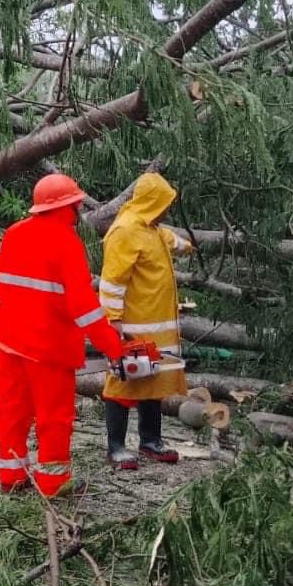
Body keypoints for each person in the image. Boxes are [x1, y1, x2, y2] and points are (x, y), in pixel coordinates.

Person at [0, 172, 124, 496]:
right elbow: (85, 309)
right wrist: (115, 348)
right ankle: (53, 485)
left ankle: (12, 478)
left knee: (11, 415)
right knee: (53, 419)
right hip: (47, 351)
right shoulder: (66, 244)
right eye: (76, 205)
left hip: (7, 344)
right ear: (70, 208)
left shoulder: (14, 234)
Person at [97, 172, 195, 469]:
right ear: (152, 201)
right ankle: (116, 447)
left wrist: (186, 245)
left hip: (156, 327)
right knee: (123, 383)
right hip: (133, 326)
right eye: (164, 203)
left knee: (152, 382)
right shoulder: (125, 231)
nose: (166, 210)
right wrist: (113, 323)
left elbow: (169, 240)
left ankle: (150, 440)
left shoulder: (150, 228)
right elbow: (112, 282)